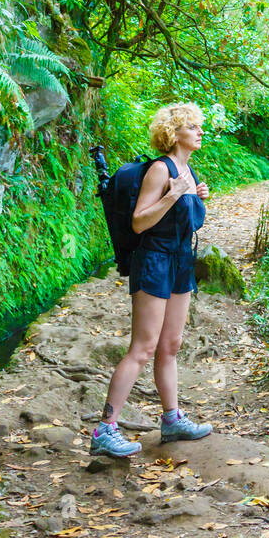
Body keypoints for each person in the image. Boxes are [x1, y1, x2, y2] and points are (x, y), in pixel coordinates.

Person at [90, 102, 213, 457]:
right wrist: (174, 194)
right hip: (154, 261)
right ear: (175, 134)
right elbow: (140, 222)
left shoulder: (188, 169)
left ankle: (172, 420)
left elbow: (185, 220)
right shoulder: (161, 170)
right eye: (192, 127)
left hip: (180, 261)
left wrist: (195, 197)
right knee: (142, 348)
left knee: (170, 345)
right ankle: (105, 430)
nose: (199, 131)